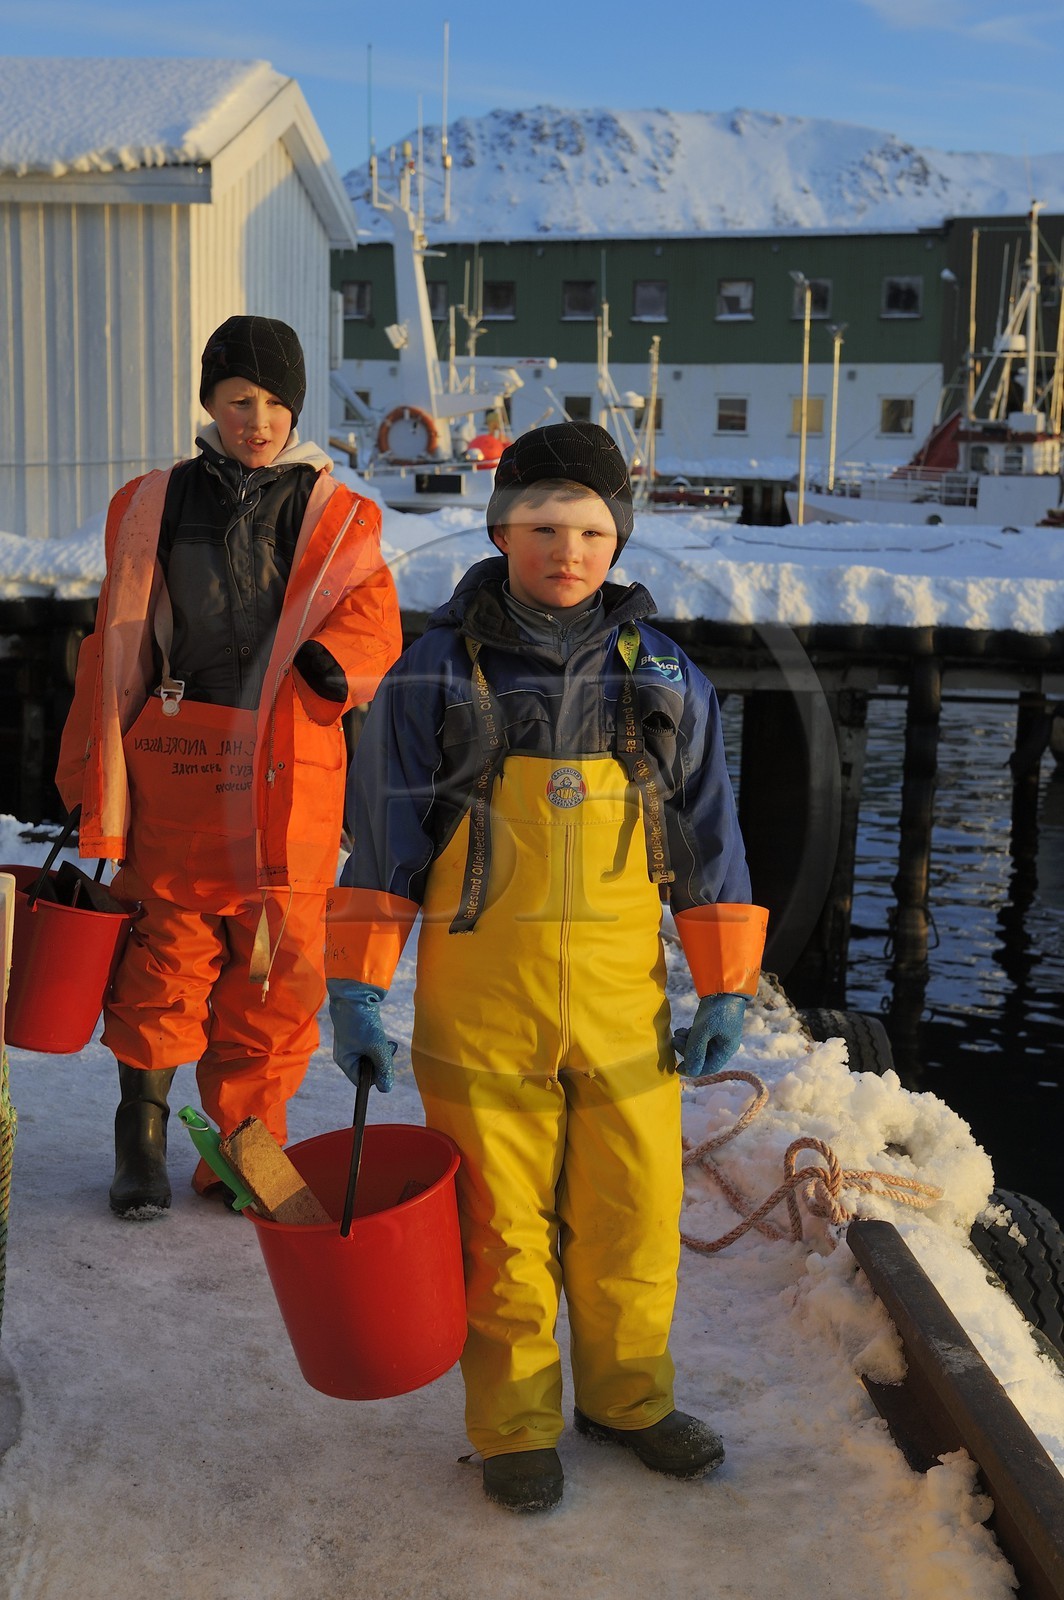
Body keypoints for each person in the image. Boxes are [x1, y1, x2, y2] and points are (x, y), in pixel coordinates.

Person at [326, 421, 766, 1513]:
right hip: (480, 1005)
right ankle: (514, 1424)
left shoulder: (665, 674)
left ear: (616, 540)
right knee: (498, 1221)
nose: (563, 549)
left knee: (632, 1204)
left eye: (587, 528)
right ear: (498, 529)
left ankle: (627, 1398)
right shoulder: (430, 672)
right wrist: (356, 987)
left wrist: (722, 982)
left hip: (625, 1004)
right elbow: (384, 849)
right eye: (538, 525)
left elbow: (710, 838)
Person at [56, 314, 402, 1219]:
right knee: (162, 957)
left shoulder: (342, 511)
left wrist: (338, 665)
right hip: (177, 752)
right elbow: (116, 639)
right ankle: (143, 1141)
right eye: (240, 399)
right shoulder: (153, 500)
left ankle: (246, 1155)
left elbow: (374, 617)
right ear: (208, 400)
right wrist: (90, 774)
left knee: (274, 975)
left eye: (277, 403)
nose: (259, 419)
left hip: (292, 765)